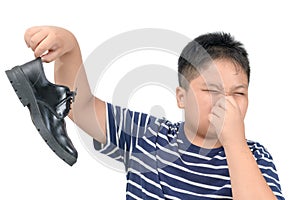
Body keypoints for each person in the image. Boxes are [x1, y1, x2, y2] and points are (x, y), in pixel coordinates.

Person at [24, 26, 284, 199]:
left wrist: (235, 143)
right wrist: (69, 49)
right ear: (181, 98)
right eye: (211, 90)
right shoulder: (149, 135)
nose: (225, 104)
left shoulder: (256, 157)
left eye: (238, 93)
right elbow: (81, 108)